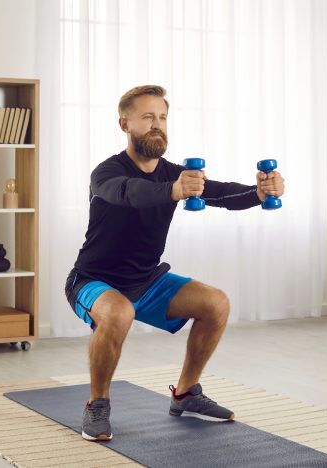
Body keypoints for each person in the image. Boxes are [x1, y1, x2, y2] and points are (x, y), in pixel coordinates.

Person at [65, 85, 285, 441]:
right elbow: (128, 193)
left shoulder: (174, 172)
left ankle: (185, 394)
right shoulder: (106, 173)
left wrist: (261, 192)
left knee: (216, 302)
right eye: (148, 117)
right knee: (119, 312)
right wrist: (174, 191)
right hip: (93, 281)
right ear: (125, 124)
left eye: (163, 118)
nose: (158, 125)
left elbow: (222, 193)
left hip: (146, 280)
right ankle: (97, 404)